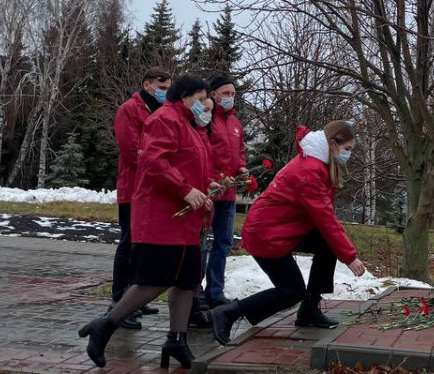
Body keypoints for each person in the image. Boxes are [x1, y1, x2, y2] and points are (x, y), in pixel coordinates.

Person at [80, 74, 216, 370]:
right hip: (162, 217)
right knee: (154, 281)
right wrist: (184, 189)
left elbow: (193, 165)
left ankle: (177, 340)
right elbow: (154, 163)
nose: (205, 104)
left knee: (187, 281)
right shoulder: (164, 120)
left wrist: (206, 189)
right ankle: (106, 325)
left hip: (186, 220)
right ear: (185, 97)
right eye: (200, 98)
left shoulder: (190, 125)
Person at [210, 121, 367, 345]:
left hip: (282, 227)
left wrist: (342, 250)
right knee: (291, 291)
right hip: (266, 233)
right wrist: (349, 257)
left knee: (327, 244)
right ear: (333, 144)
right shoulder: (310, 170)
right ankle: (228, 312)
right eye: (347, 149)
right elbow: (324, 217)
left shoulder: (318, 162)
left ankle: (309, 309)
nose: (348, 155)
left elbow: (323, 216)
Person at [109, 67, 170, 328]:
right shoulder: (129, 110)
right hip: (133, 188)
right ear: (147, 85)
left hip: (150, 190)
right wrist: (158, 164)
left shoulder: (159, 111)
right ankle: (118, 301)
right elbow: (131, 150)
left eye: (167, 89)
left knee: (142, 246)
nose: (165, 93)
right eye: (162, 88)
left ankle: (134, 297)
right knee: (129, 243)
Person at [202, 75, 246, 308]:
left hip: (228, 194)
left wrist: (242, 168)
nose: (230, 97)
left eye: (233, 94)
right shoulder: (207, 120)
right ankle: (195, 293)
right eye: (226, 93)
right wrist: (216, 176)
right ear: (214, 94)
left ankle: (215, 292)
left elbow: (240, 152)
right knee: (201, 242)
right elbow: (202, 153)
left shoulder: (236, 124)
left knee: (224, 243)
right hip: (209, 191)